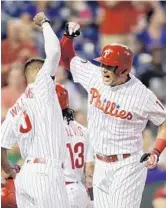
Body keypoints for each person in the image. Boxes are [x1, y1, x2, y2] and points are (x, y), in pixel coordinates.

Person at [59, 22, 166, 208]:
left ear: (124, 70)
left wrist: (156, 151)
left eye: (110, 66)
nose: (104, 69)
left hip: (128, 164)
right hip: (101, 163)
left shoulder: (141, 95)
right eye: (103, 64)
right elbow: (66, 59)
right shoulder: (95, 76)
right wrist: (68, 37)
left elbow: (164, 121)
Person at [1, 12, 68, 208]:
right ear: (40, 73)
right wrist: (45, 23)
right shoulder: (43, 85)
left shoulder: (16, 107)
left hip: (26, 177)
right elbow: (55, 52)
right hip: (47, 174)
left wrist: (9, 171)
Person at [56, 83, 89, 208]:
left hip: (62, 190)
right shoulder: (83, 130)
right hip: (79, 188)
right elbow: (89, 168)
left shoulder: (51, 130)